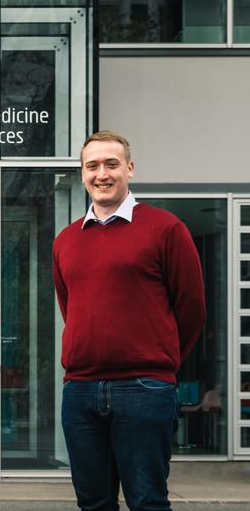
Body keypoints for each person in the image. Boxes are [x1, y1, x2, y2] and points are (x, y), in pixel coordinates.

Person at [52, 130, 206, 511]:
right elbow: (70, 307)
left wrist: (159, 361)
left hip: (143, 388)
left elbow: (192, 309)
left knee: (148, 501)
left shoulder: (166, 229)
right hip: (81, 390)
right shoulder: (66, 240)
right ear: (82, 174)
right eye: (92, 166)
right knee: (92, 502)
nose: (101, 174)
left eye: (111, 164)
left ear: (130, 169)